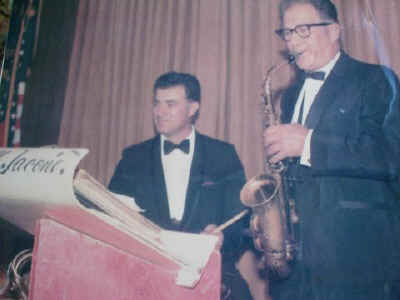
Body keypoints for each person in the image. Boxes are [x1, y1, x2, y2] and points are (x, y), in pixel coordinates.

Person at [263, 0, 400, 299]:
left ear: (335, 30)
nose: (293, 42)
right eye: (287, 33)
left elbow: (390, 156)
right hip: (299, 267)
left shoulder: (375, 79)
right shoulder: (289, 96)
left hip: (356, 261)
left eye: (303, 30)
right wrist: (273, 227)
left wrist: (309, 144)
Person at [108, 71, 252, 300]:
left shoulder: (223, 155)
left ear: (193, 108)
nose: (159, 112)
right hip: (146, 274)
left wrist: (223, 238)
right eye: (157, 103)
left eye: (170, 104)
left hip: (210, 271)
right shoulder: (133, 158)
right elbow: (109, 215)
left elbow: (241, 219)